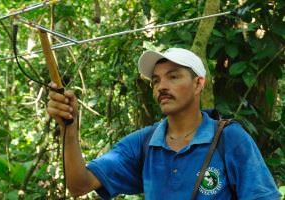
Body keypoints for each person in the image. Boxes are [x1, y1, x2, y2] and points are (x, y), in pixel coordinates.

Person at [47, 48, 281, 199]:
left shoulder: (229, 139)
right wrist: (69, 128)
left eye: (173, 76)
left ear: (198, 84)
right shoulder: (144, 143)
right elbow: (79, 185)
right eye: (156, 80)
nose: (161, 87)